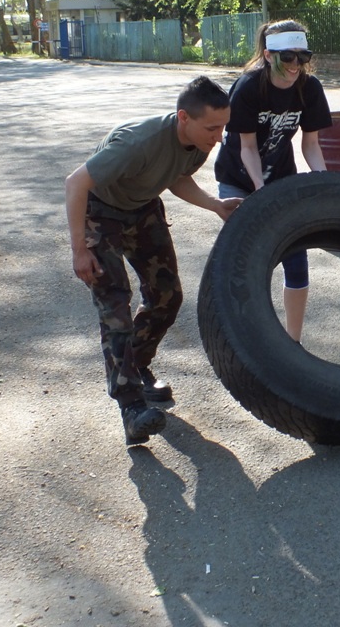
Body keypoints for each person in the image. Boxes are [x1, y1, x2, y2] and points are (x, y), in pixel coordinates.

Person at [64, 76, 242, 446]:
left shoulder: (199, 141)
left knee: (167, 297)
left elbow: (176, 176)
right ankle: (131, 407)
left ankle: (138, 365)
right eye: (212, 128)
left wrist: (214, 205)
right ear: (184, 118)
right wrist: (80, 250)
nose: (219, 136)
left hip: (142, 208)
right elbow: (75, 183)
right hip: (100, 209)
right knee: (115, 307)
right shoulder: (137, 142)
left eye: (223, 126)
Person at [214, 19, 333, 342]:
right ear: (268, 55)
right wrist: (260, 191)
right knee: (248, 258)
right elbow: (247, 148)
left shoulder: (309, 88)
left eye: (302, 57)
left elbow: (311, 145)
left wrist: (325, 183)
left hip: (281, 176)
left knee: (295, 257)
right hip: (239, 178)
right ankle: (243, 338)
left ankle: (292, 342)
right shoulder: (249, 87)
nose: (296, 65)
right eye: (288, 57)